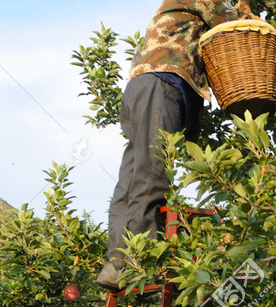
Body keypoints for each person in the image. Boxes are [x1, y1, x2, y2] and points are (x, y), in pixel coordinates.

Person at [96, 0, 258, 291]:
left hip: (143, 84)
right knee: (153, 171)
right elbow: (236, 24)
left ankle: (117, 263)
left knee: (133, 175)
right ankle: (139, 259)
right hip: (161, 81)